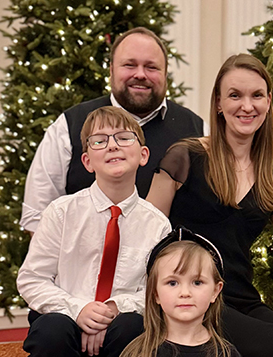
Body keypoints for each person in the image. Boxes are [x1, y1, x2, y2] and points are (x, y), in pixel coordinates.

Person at [146, 53, 273, 357]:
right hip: (193, 302)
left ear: (269, 101)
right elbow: (143, 235)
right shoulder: (184, 157)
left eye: (257, 95)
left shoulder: (272, 177)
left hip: (245, 302)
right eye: (235, 95)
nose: (247, 106)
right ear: (219, 103)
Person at [17, 106, 172, 357]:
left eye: (123, 137)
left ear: (143, 155)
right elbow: (32, 279)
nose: (112, 146)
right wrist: (79, 310)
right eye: (99, 141)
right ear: (87, 162)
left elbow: (155, 290)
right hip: (65, 316)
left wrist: (112, 309)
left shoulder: (157, 224)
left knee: (134, 327)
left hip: (121, 323)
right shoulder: (61, 212)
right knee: (50, 330)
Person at [20, 27, 204, 233]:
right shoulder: (69, 125)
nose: (140, 74)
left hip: (170, 262)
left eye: (151, 67)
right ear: (111, 70)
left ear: (165, 74)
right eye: (129, 65)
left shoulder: (196, 129)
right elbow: (36, 216)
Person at [120, 226, 241, 357]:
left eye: (197, 282)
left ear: (215, 291)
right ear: (155, 293)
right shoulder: (138, 352)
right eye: (172, 283)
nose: (185, 293)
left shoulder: (226, 354)